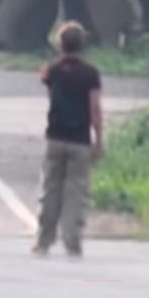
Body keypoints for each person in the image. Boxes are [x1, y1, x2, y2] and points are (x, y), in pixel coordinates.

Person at [33, 22, 103, 258]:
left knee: (50, 189)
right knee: (76, 191)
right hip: (80, 140)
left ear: (60, 44)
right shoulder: (90, 73)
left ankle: (44, 240)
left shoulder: (52, 70)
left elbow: (43, 77)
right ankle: (72, 241)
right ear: (83, 44)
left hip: (55, 137)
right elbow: (95, 108)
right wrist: (98, 139)